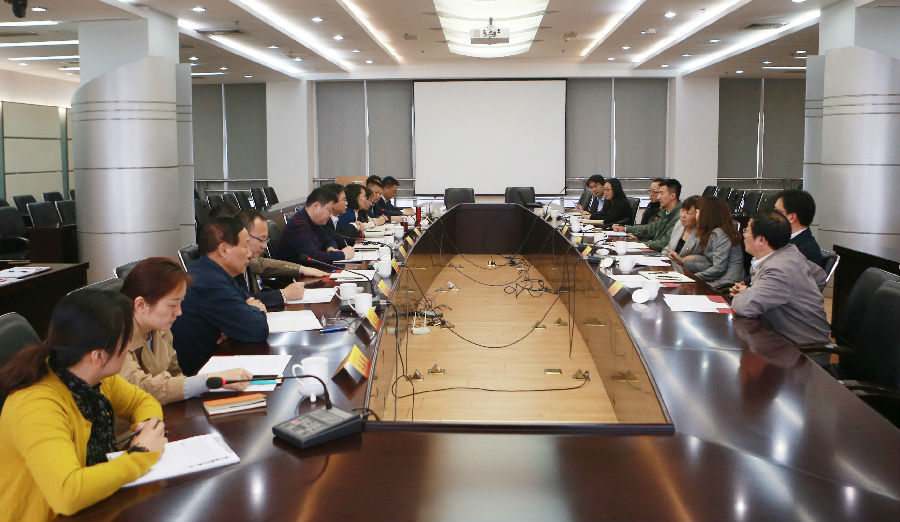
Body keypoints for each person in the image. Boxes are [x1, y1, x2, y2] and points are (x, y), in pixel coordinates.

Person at [0, 290, 167, 522]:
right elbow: (67, 494)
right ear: (98, 356)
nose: (129, 346)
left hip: (93, 506)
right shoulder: (37, 405)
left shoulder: (94, 375)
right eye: (125, 341)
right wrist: (140, 455)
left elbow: (142, 401)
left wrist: (148, 428)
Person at [119, 257, 253, 404]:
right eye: (172, 305)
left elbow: (175, 375)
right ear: (140, 305)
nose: (179, 312)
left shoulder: (160, 330)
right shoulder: (115, 337)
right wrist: (208, 380)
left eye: (180, 303)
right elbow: (140, 389)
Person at [171, 217, 270, 375]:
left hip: (217, 359)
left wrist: (238, 321)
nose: (250, 253)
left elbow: (246, 299)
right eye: (245, 246)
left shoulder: (216, 271)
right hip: (198, 373)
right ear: (223, 250)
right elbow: (257, 329)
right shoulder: (208, 281)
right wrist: (254, 310)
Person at [729, 210, 829, 345]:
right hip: (781, 336)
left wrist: (748, 293)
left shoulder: (778, 270)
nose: (743, 234)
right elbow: (820, 277)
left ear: (761, 240)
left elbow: (744, 306)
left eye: (746, 230)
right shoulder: (790, 252)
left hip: (801, 350)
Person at [237, 209, 328, 308]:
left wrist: (301, 269)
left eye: (266, 240)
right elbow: (241, 301)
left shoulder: (248, 260)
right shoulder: (231, 267)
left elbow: (259, 264)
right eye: (261, 240)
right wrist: (284, 294)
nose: (264, 246)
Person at [672, 197, 745, 289]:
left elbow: (719, 268)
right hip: (717, 279)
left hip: (727, 283)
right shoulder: (712, 232)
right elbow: (709, 264)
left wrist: (692, 277)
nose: (696, 216)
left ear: (706, 214)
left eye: (697, 212)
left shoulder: (720, 233)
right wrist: (684, 263)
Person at [276, 188, 355, 264]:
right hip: (295, 273)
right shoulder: (298, 224)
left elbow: (329, 241)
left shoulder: (314, 221)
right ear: (316, 206)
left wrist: (330, 249)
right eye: (329, 211)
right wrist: (342, 255)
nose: (331, 215)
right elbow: (311, 257)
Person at [614, 178, 682, 252]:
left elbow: (664, 243)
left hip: (664, 255)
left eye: (661, 193)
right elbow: (650, 229)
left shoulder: (680, 217)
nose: (658, 197)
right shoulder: (664, 212)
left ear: (672, 196)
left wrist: (640, 244)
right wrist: (625, 229)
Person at [775, 189, 824, 268]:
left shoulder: (805, 251)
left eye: (777, 212)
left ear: (792, 217)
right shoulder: (785, 240)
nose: (772, 216)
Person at [320, 183, 350, 249]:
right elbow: (338, 242)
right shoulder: (324, 221)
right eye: (344, 200)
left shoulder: (336, 219)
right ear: (332, 202)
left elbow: (343, 238)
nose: (347, 203)